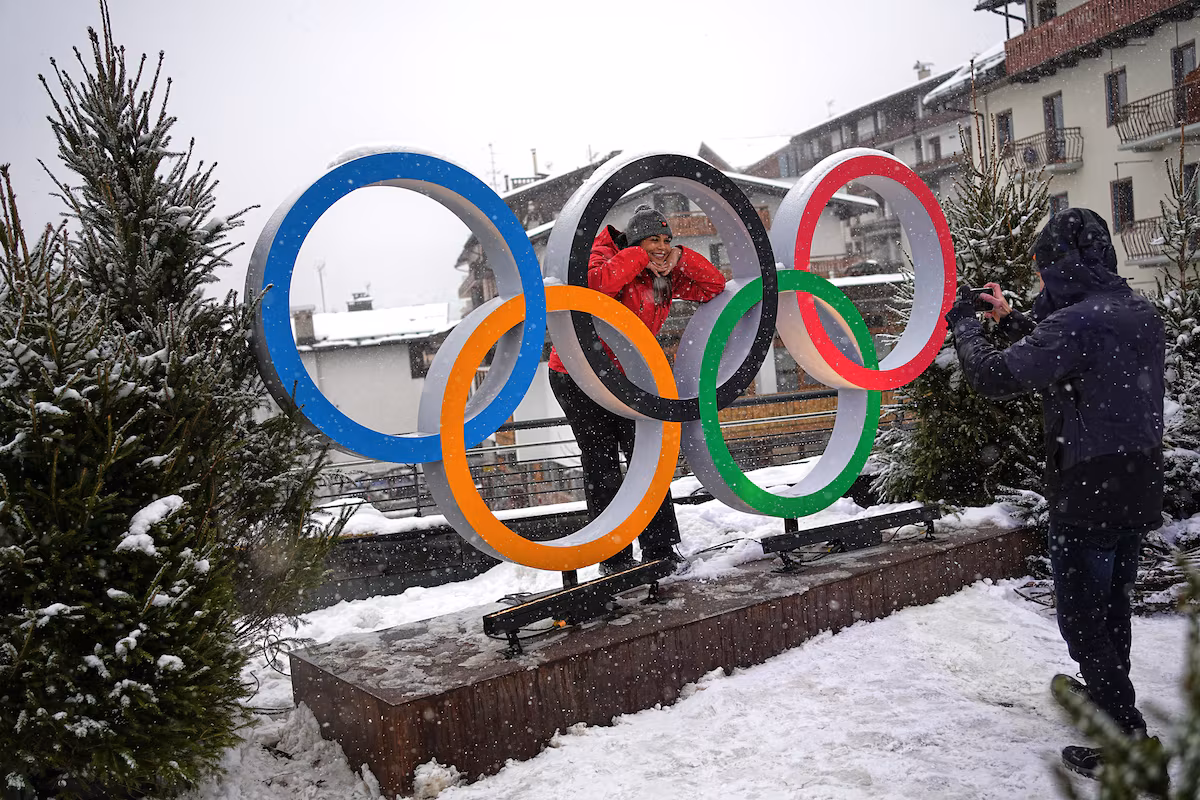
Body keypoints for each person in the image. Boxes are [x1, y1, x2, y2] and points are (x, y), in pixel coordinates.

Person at [943, 207, 1166, 780]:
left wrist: (965, 324)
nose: (1041, 281)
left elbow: (994, 378)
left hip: (1088, 484)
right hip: (1136, 480)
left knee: (1084, 618)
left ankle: (1129, 742)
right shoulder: (1137, 313)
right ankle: (1108, 700)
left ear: (1063, 266)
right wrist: (1015, 317)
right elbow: (1077, 359)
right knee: (1112, 604)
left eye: (1043, 271)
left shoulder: (1075, 325)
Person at [547, 203, 726, 575]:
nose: (660, 247)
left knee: (648, 460)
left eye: (666, 240)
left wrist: (678, 259)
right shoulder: (606, 254)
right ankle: (613, 556)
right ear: (634, 239)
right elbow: (594, 286)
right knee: (602, 464)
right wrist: (637, 257)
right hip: (580, 375)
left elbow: (714, 285)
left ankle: (660, 549)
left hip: (634, 378)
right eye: (652, 239)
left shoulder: (664, 274)